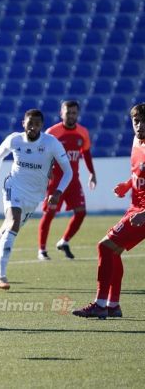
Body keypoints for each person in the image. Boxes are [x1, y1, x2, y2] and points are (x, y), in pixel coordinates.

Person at [0, 109, 73, 290]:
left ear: (42, 126)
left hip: (34, 197)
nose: (33, 127)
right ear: (23, 123)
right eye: (29, 123)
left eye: (37, 124)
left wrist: (58, 192)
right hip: (13, 187)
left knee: (6, 233)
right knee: (12, 223)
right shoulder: (15, 139)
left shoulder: (51, 143)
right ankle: (0, 276)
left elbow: (68, 171)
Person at [72, 103, 145, 319]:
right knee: (113, 251)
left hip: (142, 212)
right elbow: (138, 176)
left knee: (104, 247)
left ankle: (100, 304)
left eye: (144, 121)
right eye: (136, 121)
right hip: (135, 207)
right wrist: (127, 185)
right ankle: (113, 305)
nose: (139, 126)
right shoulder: (136, 141)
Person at [37, 101, 97, 260]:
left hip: (73, 180)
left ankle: (64, 241)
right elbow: (43, 155)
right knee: (49, 214)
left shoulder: (83, 132)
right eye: (68, 112)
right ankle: (41, 250)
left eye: (73, 113)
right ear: (61, 113)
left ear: (77, 114)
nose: (71, 115)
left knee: (81, 213)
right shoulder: (52, 132)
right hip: (55, 181)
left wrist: (92, 173)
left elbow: (86, 152)